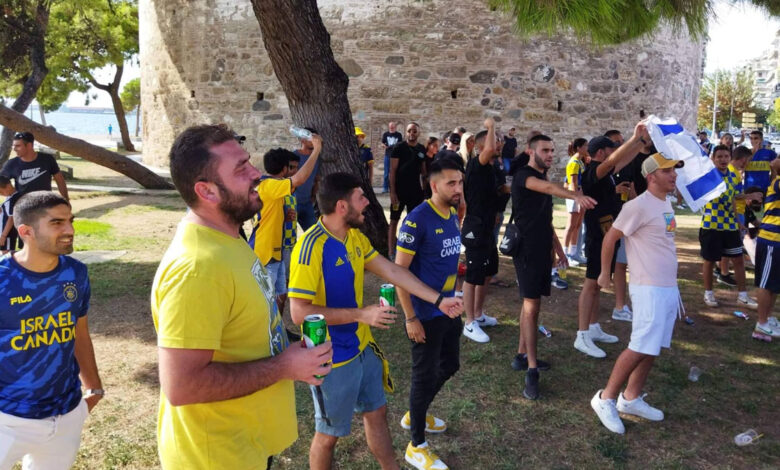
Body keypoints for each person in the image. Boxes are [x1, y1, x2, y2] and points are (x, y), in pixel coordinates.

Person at [151, 124, 333, 470]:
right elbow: (183, 385)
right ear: (206, 191)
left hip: (245, 443)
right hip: (217, 457)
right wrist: (284, 367)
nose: (256, 176)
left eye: (249, 162)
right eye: (241, 169)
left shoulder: (228, 237)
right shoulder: (197, 268)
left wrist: (291, 356)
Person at [288, 172, 463, 470]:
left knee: (377, 413)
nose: (368, 202)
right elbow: (298, 313)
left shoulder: (355, 237)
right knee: (328, 436)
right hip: (330, 357)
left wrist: (438, 300)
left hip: (363, 348)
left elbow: (394, 272)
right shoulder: (311, 246)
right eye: (361, 197)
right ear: (342, 206)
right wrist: (361, 314)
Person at [0, 191, 103, 469]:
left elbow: (79, 332)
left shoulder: (75, 273)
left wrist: (94, 387)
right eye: (57, 223)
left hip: (66, 415)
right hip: (8, 418)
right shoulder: (3, 280)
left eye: (70, 221)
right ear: (26, 232)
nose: (69, 230)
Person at [591, 153, 684, 434]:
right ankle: (605, 398)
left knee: (653, 346)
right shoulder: (638, 206)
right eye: (667, 171)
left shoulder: (665, 202)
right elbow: (611, 237)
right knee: (641, 345)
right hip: (648, 287)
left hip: (667, 287)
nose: (674, 175)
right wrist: (604, 272)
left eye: (674, 170)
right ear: (651, 176)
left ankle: (630, 398)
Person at [510, 135, 596, 399]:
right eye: (544, 150)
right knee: (532, 306)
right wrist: (575, 195)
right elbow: (547, 189)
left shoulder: (542, 177)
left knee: (531, 304)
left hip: (541, 250)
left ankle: (521, 355)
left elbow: (544, 220)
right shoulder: (524, 176)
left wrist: (558, 250)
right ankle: (531, 369)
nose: (550, 154)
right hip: (525, 250)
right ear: (530, 151)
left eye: (551, 150)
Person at [394, 159, 464, 470]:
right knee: (423, 377)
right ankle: (416, 446)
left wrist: (455, 294)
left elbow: (447, 261)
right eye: (451, 183)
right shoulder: (416, 220)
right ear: (434, 185)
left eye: (460, 182)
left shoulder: (452, 214)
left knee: (450, 364)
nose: (458, 188)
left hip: (448, 308)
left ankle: (416, 414)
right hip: (424, 314)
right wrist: (410, 318)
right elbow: (399, 273)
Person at [575, 124, 650, 359]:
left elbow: (622, 160)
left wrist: (640, 143)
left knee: (597, 284)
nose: (615, 152)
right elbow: (612, 162)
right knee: (591, 284)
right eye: (611, 149)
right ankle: (582, 335)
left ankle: (593, 327)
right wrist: (634, 137)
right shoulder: (593, 171)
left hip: (607, 233)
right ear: (601, 152)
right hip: (598, 236)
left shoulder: (604, 172)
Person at [250, 136, 323, 323]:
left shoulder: (270, 186)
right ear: (283, 169)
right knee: (266, 298)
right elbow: (300, 179)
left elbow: (268, 214)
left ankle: (279, 329)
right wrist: (316, 149)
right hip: (266, 253)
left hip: (277, 252)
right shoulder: (271, 185)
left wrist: (284, 216)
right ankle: (265, 332)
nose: (293, 171)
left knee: (281, 293)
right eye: (290, 167)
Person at [700, 145, 761, 309]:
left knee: (738, 260)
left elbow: (735, 197)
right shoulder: (709, 175)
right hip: (711, 225)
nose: (723, 159)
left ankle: (743, 296)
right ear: (713, 159)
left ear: (730, 157)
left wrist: (739, 222)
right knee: (709, 261)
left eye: (726, 156)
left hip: (730, 225)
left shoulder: (734, 176)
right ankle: (708, 293)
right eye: (719, 156)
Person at [461, 119, 501, 343]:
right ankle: (469, 323)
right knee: (473, 276)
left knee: (487, 272)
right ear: (480, 147)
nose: (498, 143)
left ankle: (478, 314)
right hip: (475, 228)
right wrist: (491, 126)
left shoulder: (491, 168)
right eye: (494, 140)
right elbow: (490, 150)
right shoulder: (477, 164)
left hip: (487, 227)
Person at [752, 157, 780, 340]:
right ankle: (761, 324)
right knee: (766, 283)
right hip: (771, 240)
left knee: (774, 284)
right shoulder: (777, 182)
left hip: (776, 241)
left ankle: (767, 319)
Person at [389, 122, 426, 259]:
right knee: (394, 220)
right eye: (409, 131)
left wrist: (425, 191)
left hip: (415, 192)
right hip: (399, 191)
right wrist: (392, 192)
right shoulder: (398, 148)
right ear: (406, 132)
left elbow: (424, 172)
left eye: (414, 131)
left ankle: (411, 250)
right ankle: (391, 251)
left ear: (418, 133)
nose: (412, 133)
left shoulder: (421, 149)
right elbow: (392, 171)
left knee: (414, 222)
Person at [1, 132, 68, 201]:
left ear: (29, 145)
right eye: (14, 146)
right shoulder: (11, 163)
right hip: (23, 205)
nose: (14, 149)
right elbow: (1, 181)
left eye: (18, 146)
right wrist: (11, 191)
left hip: (46, 203)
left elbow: (60, 181)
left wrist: (66, 200)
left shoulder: (47, 159)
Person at [562, 138, 588, 266]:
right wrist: (577, 199)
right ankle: (565, 254)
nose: (587, 148)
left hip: (580, 196)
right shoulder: (574, 162)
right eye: (585, 146)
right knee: (571, 225)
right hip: (574, 196)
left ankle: (574, 253)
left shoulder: (580, 162)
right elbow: (573, 183)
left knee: (577, 226)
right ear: (578, 148)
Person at [293, 127, 321, 231]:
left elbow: (316, 178)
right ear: (302, 140)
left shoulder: (316, 158)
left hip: (307, 203)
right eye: (310, 138)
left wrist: (313, 195)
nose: (313, 141)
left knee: (314, 232)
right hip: (292, 203)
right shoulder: (293, 156)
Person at [381, 121, 403, 193]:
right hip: (387, 156)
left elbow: (399, 144)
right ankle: (385, 188)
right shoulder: (385, 134)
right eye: (390, 126)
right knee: (386, 173)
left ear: (395, 127)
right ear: (389, 127)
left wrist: (390, 146)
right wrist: (383, 145)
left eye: (393, 126)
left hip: (396, 156)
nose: (391, 128)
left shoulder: (399, 135)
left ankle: (395, 188)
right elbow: (382, 143)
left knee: (396, 173)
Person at [0, 176, 20, 252]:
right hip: (4, 232)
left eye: (1, 192)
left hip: (8, 234)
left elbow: (11, 218)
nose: (1, 194)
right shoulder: (9, 196)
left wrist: (3, 236)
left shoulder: (13, 199)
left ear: (8, 186)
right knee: (5, 253)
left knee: (7, 253)